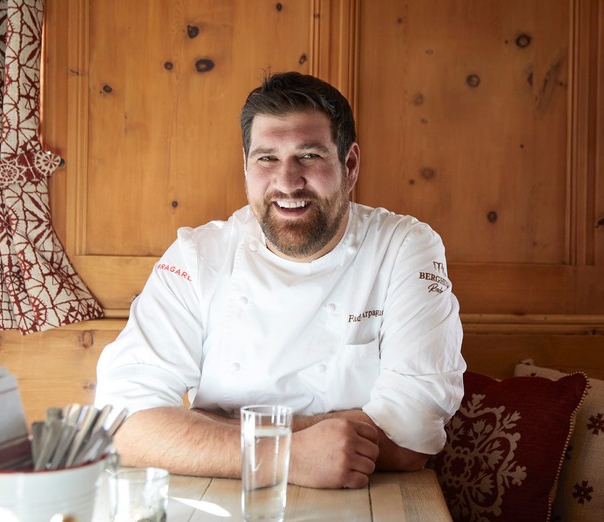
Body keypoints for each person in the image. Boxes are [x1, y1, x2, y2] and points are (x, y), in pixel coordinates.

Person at [94, 72, 466, 490]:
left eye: (309, 156)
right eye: (267, 158)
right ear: (246, 165)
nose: (287, 181)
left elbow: (411, 437)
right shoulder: (199, 255)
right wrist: (285, 453)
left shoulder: (404, 247)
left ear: (350, 164)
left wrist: (215, 427)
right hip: (223, 496)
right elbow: (121, 423)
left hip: (362, 501)